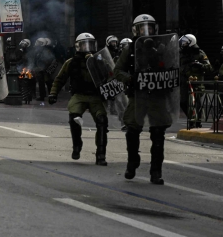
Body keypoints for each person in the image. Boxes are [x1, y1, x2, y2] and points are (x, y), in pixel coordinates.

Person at [114, 14, 175, 185]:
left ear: (156, 29)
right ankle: (132, 163)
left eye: (150, 27)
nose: (146, 31)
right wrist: (130, 79)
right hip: (138, 96)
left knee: (158, 134)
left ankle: (156, 172)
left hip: (157, 96)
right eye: (142, 28)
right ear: (136, 30)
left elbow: (173, 67)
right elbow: (118, 71)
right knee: (132, 131)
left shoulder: (162, 47)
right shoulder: (130, 50)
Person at [49, 33, 108, 165]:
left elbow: (109, 77)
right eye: (84, 45)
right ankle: (77, 145)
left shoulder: (100, 61)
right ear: (78, 47)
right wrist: (53, 93)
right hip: (79, 95)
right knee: (74, 117)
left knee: (102, 120)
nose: (87, 48)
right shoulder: (71, 63)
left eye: (90, 44)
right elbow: (60, 79)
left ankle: (101, 154)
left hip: (95, 96)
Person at [179, 34, 212, 125]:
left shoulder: (200, 53)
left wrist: (200, 65)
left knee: (196, 103)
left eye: (185, 43)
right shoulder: (181, 53)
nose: (183, 44)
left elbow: (209, 68)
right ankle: (191, 118)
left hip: (197, 83)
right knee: (183, 102)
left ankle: (197, 122)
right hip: (185, 82)